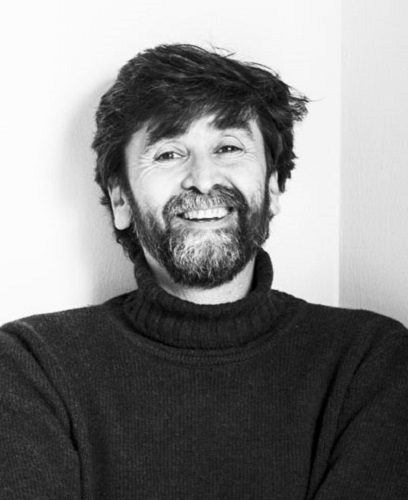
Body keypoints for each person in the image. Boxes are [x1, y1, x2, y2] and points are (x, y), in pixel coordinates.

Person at [1, 44, 407, 500]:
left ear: (273, 186)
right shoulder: (30, 367)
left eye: (228, 148)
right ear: (120, 200)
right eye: (168, 154)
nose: (203, 178)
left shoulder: (372, 362)